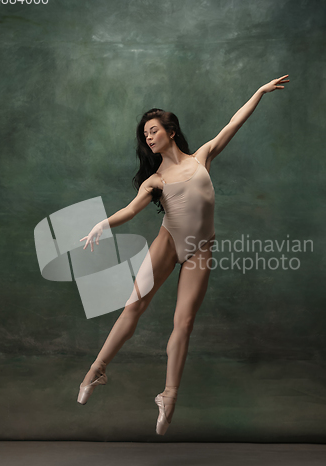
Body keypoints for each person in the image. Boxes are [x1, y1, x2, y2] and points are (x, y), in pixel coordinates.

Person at [77, 75, 290, 435]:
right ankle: (97, 369)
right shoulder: (154, 180)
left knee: (184, 323)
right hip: (168, 242)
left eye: (153, 130)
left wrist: (258, 92)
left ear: (171, 132)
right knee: (134, 305)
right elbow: (130, 211)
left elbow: (233, 123)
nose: (148, 136)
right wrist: (102, 224)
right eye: (144, 134)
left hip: (200, 250)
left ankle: (169, 396)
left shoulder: (202, 156)